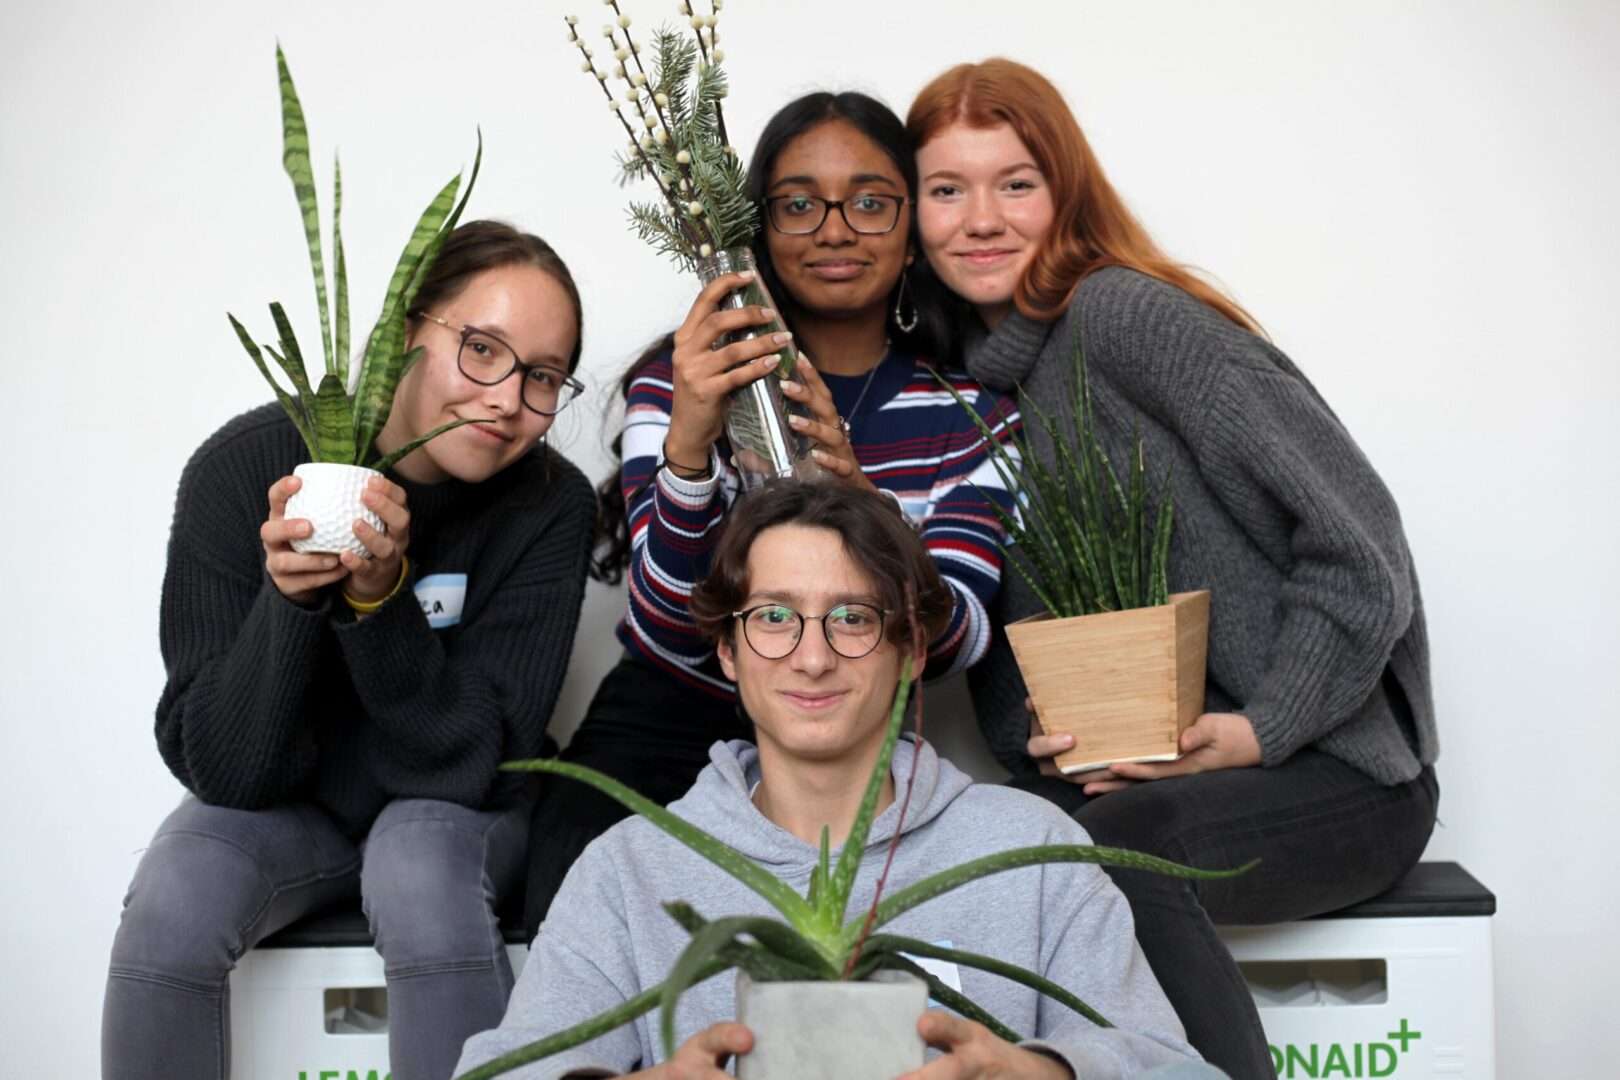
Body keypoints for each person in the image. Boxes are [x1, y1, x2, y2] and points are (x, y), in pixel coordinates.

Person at [905, 59, 1441, 1078]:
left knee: (1125, 854)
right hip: (1161, 775)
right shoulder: (974, 390)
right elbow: (1019, 658)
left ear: (1066, 190)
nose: (980, 219)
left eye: (1015, 183)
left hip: (1338, 774)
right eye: (946, 189)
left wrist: (1260, 728)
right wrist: (1053, 740)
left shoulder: (1123, 318)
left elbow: (1361, 540)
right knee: (976, 855)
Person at [459, 481, 1223, 1080]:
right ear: (727, 651)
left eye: (853, 618)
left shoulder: (1032, 848)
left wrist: (1040, 1072)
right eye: (773, 617)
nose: (813, 657)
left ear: (912, 649)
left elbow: (1181, 1071)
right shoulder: (630, 868)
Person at [102, 221, 598, 1080]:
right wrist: (292, 601)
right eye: (482, 349)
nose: (507, 399)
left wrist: (381, 600)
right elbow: (222, 768)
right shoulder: (244, 467)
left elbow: (474, 763)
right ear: (406, 334)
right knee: (177, 891)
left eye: (544, 376)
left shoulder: (550, 506)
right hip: (292, 807)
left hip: (458, 806)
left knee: (417, 865)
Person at [523, 92, 1020, 934]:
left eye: (870, 202)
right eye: (798, 204)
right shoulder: (680, 381)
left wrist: (860, 500)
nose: (835, 230)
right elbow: (666, 624)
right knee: (579, 914)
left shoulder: (970, 413)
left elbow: (953, 641)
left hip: (848, 726)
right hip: (668, 721)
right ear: (755, 229)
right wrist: (689, 444)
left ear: (911, 231)